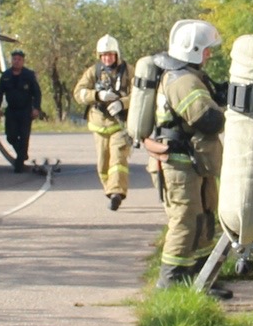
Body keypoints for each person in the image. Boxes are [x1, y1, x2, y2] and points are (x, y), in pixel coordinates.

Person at [144, 20, 225, 289]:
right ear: (194, 50)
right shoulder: (182, 81)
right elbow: (208, 120)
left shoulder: (189, 76)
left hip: (193, 163)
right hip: (179, 165)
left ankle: (201, 280)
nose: (209, 55)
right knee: (185, 221)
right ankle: (169, 283)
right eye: (206, 50)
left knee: (204, 219)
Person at [81, 35, 132, 209]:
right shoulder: (93, 72)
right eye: (103, 55)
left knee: (118, 160)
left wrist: (122, 103)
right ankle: (109, 189)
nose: (106, 58)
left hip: (119, 125)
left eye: (109, 54)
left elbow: (140, 95)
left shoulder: (128, 72)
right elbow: (78, 92)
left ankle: (116, 193)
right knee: (103, 163)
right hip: (99, 125)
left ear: (116, 54)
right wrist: (97, 95)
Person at [0, 47, 42, 168]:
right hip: (11, 111)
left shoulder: (28, 75)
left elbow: (37, 93)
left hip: (26, 111)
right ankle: (22, 153)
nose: (16, 61)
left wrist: (36, 108)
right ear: (11, 60)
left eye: (19, 59)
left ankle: (19, 164)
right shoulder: (6, 75)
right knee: (11, 136)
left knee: (24, 136)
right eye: (14, 59)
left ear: (23, 61)